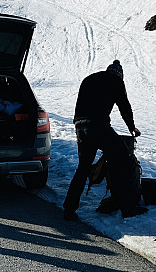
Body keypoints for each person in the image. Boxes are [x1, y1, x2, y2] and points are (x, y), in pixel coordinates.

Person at [63, 60, 147, 220]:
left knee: (82, 167)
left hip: (81, 126)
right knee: (123, 158)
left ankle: (69, 208)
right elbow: (124, 106)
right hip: (98, 126)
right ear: (120, 74)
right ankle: (128, 208)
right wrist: (132, 127)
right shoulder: (116, 81)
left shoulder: (89, 79)